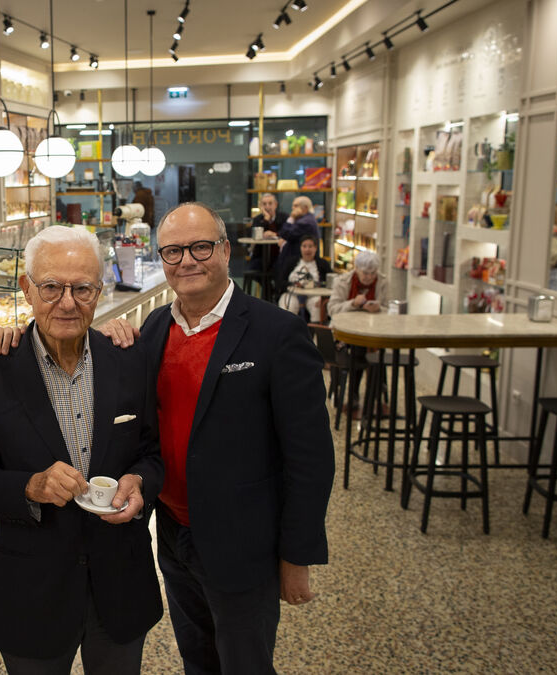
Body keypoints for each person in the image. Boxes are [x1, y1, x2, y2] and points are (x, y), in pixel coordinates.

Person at [99, 203, 334, 673]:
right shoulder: (156, 327)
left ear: (225, 251)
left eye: (200, 247)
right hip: (173, 535)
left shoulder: (277, 333)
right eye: (173, 251)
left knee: (245, 663)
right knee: (197, 659)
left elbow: (310, 458)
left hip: (243, 543)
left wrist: (297, 556)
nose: (186, 260)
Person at [0, 225, 164, 674]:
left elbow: (152, 451)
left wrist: (139, 481)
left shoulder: (129, 357)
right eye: (51, 287)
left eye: (82, 288)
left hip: (121, 585)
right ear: (26, 288)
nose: (67, 303)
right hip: (34, 593)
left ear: (100, 290)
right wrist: (29, 487)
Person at [328, 250, 388, 418]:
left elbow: (391, 309)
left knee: (371, 350)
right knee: (360, 350)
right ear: (356, 269)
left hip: (373, 332)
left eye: (373, 273)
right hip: (344, 335)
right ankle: (365, 393)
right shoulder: (343, 282)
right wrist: (353, 304)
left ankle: (370, 394)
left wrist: (379, 309)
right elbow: (332, 309)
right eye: (365, 273)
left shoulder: (382, 282)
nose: (369, 277)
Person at [278, 235, 333, 321]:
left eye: (310, 246)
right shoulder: (291, 262)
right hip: (292, 294)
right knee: (288, 307)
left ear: (316, 248)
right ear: (300, 248)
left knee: (317, 308)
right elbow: (280, 282)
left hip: (314, 295)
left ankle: (314, 328)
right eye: (304, 246)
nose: (307, 249)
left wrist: (324, 297)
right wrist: (292, 284)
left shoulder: (323, 264)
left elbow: (331, 282)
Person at [246, 193, 287, 280]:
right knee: (252, 270)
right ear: (261, 206)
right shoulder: (257, 219)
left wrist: (275, 234)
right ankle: (268, 288)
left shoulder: (284, 217)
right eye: (264, 204)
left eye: (270, 203)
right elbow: (252, 235)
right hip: (260, 255)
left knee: (280, 271)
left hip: (279, 255)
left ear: (275, 205)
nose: (267, 207)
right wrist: (266, 220)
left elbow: (287, 232)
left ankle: (272, 288)